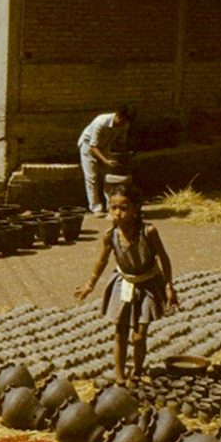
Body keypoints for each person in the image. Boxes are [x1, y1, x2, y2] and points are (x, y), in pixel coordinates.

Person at [74, 182, 178, 384]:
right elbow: (102, 260)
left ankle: (137, 370)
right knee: (121, 332)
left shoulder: (148, 232)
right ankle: (120, 375)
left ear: (136, 208)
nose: (117, 213)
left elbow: (164, 259)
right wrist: (90, 285)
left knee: (139, 336)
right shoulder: (110, 235)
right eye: (113, 208)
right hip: (124, 284)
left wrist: (169, 286)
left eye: (123, 208)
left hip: (147, 284)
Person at [78, 104, 134, 217]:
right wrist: (105, 160)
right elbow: (93, 146)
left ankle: (111, 205)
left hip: (105, 147)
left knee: (108, 177)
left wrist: (122, 156)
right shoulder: (100, 122)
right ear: (118, 116)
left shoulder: (124, 125)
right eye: (122, 121)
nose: (123, 124)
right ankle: (96, 208)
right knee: (92, 178)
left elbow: (121, 143)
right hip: (88, 147)